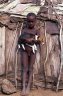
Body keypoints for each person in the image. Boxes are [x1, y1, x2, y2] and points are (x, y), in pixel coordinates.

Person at [18, 12, 41, 96]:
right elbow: (19, 40)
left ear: (35, 21)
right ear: (27, 21)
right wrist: (25, 40)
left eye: (32, 21)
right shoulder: (24, 30)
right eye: (29, 21)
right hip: (24, 50)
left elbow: (40, 41)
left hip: (32, 51)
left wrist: (33, 40)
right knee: (25, 68)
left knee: (30, 68)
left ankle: (28, 87)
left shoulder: (36, 30)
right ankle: (23, 87)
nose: (31, 23)